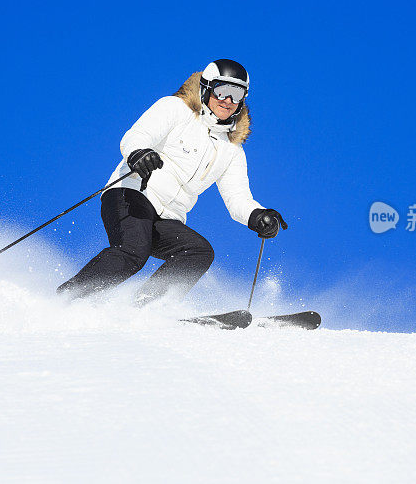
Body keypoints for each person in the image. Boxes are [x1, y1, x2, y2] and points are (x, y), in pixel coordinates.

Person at [57, 59, 287, 305]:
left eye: (236, 93)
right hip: (132, 194)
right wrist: (139, 154)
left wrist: (257, 215)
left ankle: (144, 307)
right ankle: (69, 298)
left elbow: (237, 197)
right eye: (222, 90)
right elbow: (137, 136)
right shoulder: (176, 109)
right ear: (207, 88)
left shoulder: (232, 150)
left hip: (169, 217)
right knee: (134, 250)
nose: (228, 100)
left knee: (198, 252)